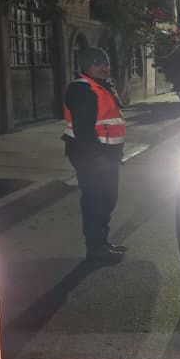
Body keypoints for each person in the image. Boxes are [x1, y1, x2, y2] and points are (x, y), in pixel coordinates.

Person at [63, 47, 128, 263]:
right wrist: (98, 158)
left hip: (105, 155)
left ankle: (102, 242)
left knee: (107, 200)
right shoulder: (82, 89)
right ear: (86, 66)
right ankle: (96, 248)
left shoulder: (101, 86)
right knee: (96, 201)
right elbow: (83, 130)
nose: (104, 67)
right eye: (97, 63)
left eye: (106, 63)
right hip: (91, 156)